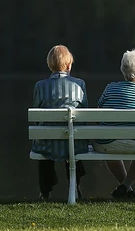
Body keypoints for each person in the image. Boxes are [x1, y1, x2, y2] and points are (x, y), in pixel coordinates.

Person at [93, 49, 135, 200]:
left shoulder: (110, 88)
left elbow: (97, 117)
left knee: (109, 145)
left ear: (122, 70)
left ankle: (127, 189)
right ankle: (126, 187)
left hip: (108, 144)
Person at [32, 45, 89, 200]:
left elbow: (37, 116)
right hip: (74, 141)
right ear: (69, 65)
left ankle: (45, 192)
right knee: (73, 143)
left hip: (47, 142)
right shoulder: (80, 85)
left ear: (50, 65)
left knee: (45, 144)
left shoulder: (40, 86)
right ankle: (75, 187)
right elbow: (84, 113)